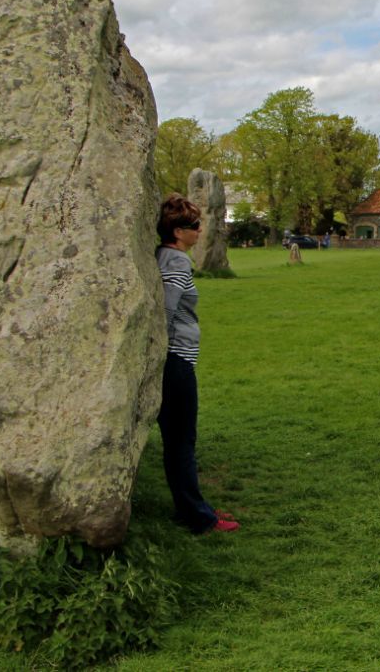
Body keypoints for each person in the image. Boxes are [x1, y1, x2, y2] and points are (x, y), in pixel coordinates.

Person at [156, 194, 239, 534]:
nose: (200, 230)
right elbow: (167, 308)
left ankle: (189, 507)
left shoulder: (163, 255)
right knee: (182, 441)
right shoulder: (176, 261)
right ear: (178, 232)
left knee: (176, 439)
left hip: (172, 357)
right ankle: (198, 517)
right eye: (194, 226)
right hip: (175, 359)